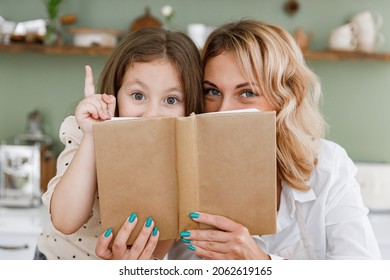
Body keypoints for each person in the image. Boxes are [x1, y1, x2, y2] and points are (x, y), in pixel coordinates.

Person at [165, 19, 382, 260]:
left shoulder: (328, 167)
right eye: (212, 91)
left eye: (247, 93)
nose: (223, 110)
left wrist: (261, 264)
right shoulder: (181, 172)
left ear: (283, 100)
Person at [35, 27, 203, 260]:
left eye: (171, 99)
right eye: (138, 95)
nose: (152, 114)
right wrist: (93, 137)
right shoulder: (85, 131)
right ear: (115, 93)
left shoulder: (182, 158)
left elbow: (158, 247)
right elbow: (64, 220)